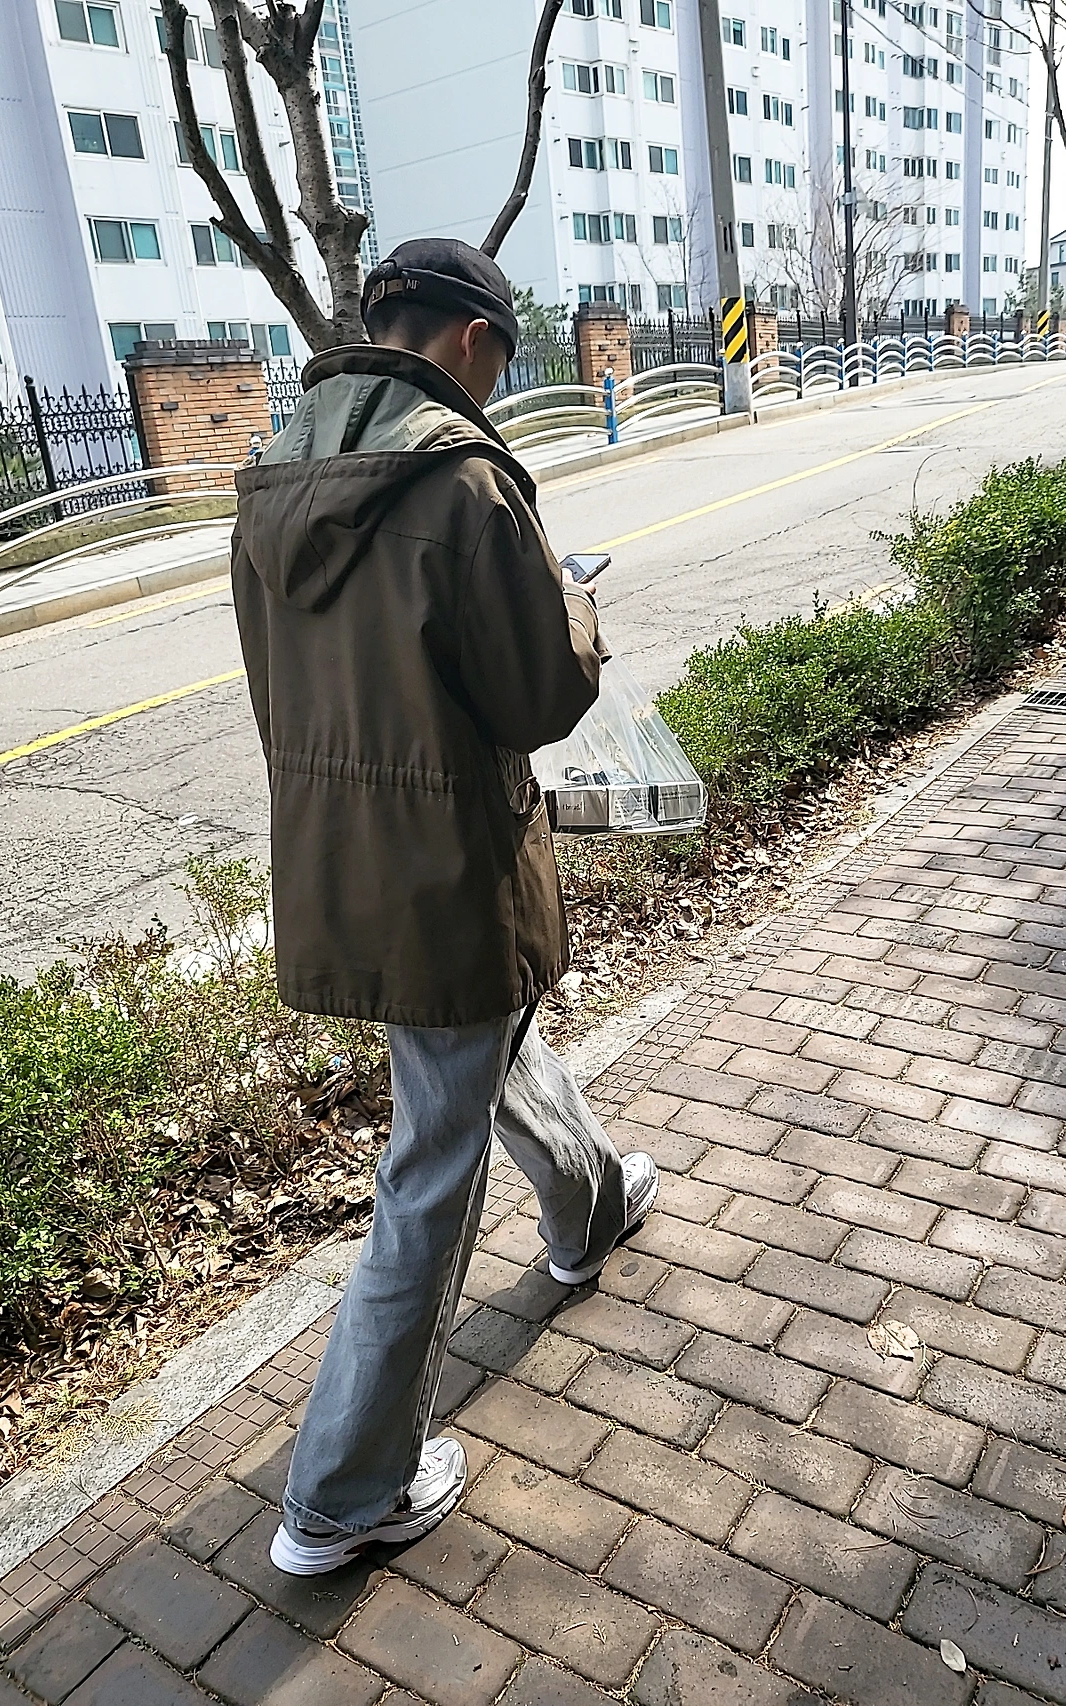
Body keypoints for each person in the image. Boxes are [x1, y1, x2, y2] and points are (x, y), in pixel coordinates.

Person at [231, 239, 658, 1576]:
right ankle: (343, 1490)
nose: (501, 382)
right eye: (504, 358)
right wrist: (576, 608)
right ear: (471, 340)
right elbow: (541, 693)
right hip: (452, 857)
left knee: (478, 1051)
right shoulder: (467, 484)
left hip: (341, 852)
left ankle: (590, 1202)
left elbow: (279, 685)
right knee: (431, 1161)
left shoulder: (274, 474)